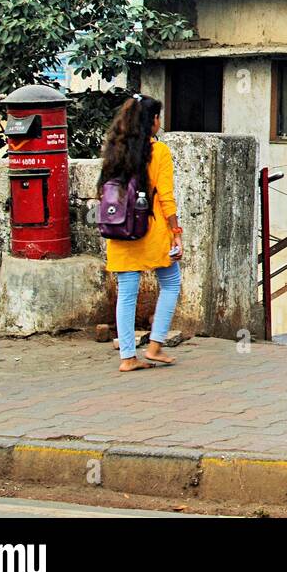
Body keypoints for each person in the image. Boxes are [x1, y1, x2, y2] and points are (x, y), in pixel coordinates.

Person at [101, 94, 184, 373]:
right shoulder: (158, 151)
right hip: (151, 228)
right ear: (151, 122)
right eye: (158, 117)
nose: (159, 122)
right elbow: (166, 196)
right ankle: (155, 345)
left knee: (127, 292)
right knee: (171, 282)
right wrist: (176, 231)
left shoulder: (114, 149)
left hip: (121, 229)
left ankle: (127, 356)